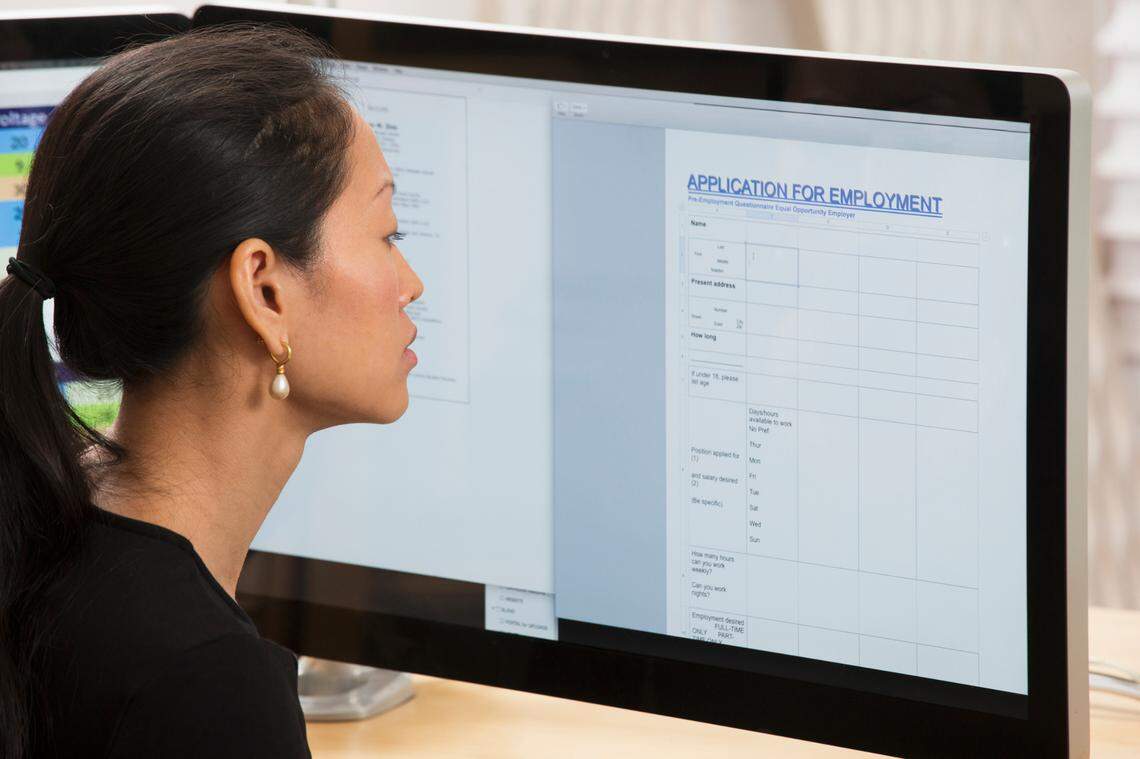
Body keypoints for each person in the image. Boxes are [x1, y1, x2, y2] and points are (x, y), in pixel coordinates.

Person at [0, 23, 423, 758]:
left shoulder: (44, 528)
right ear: (263, 288)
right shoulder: (204, 685)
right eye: (387, 232)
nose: (411, 283)